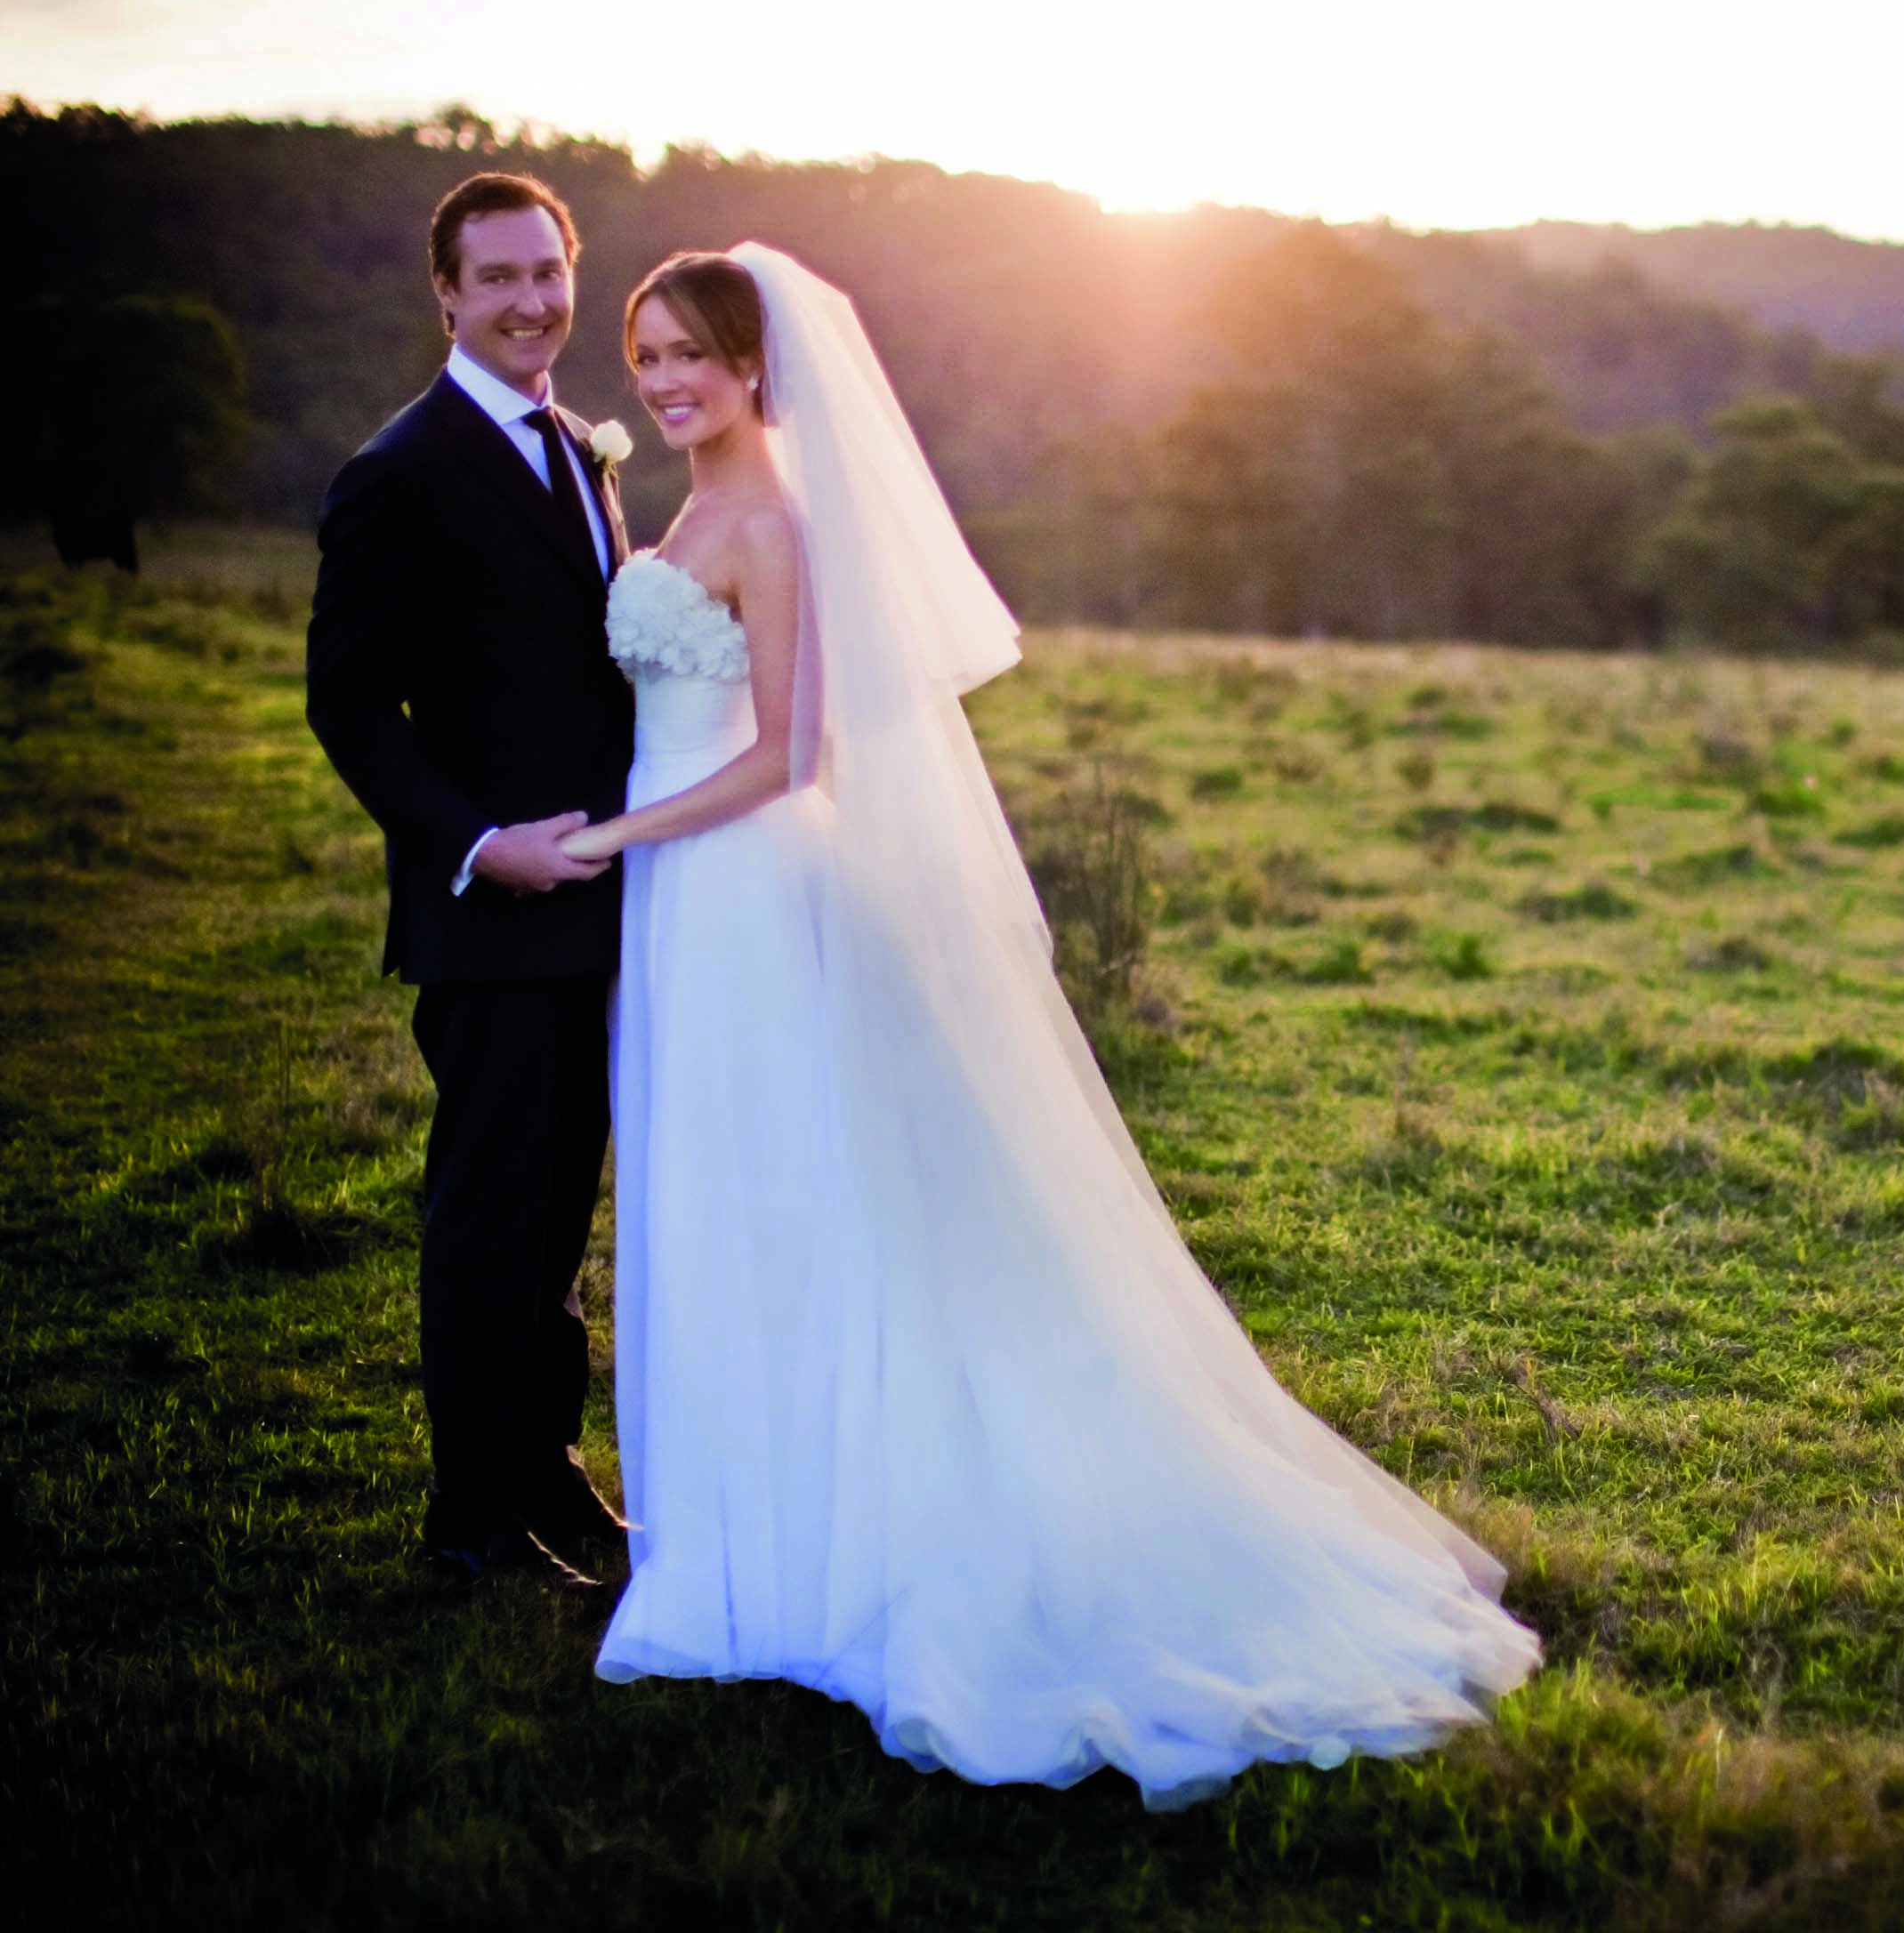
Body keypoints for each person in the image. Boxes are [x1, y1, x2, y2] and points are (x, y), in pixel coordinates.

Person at [564, 246, 1537, 1807]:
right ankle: (738, 1537)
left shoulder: (777, 523)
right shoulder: (682, 507)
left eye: (693, 357)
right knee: (725, 1208)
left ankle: (821, 1548)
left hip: (735, 885)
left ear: (759, 371)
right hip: (685, 899)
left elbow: (795, 759)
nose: (668, 383)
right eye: (649, 357)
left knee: (790, 1205)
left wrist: (615, 839)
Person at [305, 173, 634, 1592]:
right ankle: (467, 1521)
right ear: (444, 293)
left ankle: (543, 1469)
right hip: (493, 915)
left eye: (547, 272)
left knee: (562, 1209)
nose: (529, 301)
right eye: (495, 277)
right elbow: (349, 708)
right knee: (489, 1213)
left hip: (606, 907)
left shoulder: (582, 448)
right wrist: (478, 846)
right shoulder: (401, 470)